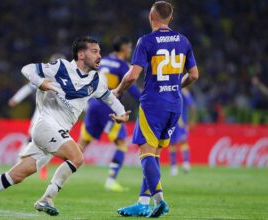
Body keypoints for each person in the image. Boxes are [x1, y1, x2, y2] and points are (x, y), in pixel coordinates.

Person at [0, 36, 131, 219]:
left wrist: (121, 112)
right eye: (94, 51)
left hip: (56, 132)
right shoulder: (61, 67)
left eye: (100, 52)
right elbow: (27, 69)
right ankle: (47, 198)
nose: (99, 56)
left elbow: (109, 98)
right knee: (77, 157)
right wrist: (40, 82)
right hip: (45, 125)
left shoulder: (95, 80)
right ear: (81, 54)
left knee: (17, 175)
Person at [113, 1, 199, 217]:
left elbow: (132, 75)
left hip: (153, 104)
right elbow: (195, 75)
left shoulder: (146, 41)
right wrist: (175, 86)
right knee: (155, 154)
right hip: (175, 104)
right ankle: (143, 203)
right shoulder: (183, 41)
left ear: (151, 16)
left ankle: (159, 200)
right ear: (170, 18)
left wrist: (118, 90)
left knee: (145, 152)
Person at [78, 36, 140, 192]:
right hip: (108, 106)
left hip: (92, 104)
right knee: (121, 144)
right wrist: (144, 100)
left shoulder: (102, 60)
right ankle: (111, 181)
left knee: (83, 143)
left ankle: (60, 176)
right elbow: (132, 88)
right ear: (124, 48)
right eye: (130, 47)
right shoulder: (122, 65)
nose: (130, 50)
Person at [8, 53, 66, 180]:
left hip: (56, 117)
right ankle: (19, 163)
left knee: (49, 143)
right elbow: (28, 88)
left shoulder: (67, 81)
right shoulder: (44, 77)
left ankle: (39, 166)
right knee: (31, 139)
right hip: (40, 115)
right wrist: (15, 99)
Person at [169, 88, 196, 176]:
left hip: (173, 121)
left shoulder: (171, 89)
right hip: (180, 122)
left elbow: (192, 106)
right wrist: (191, 120)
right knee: (182, 142)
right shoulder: (184, 91)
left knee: (173, 144)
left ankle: (174, 167)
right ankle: (185, 164)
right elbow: (192, 105)